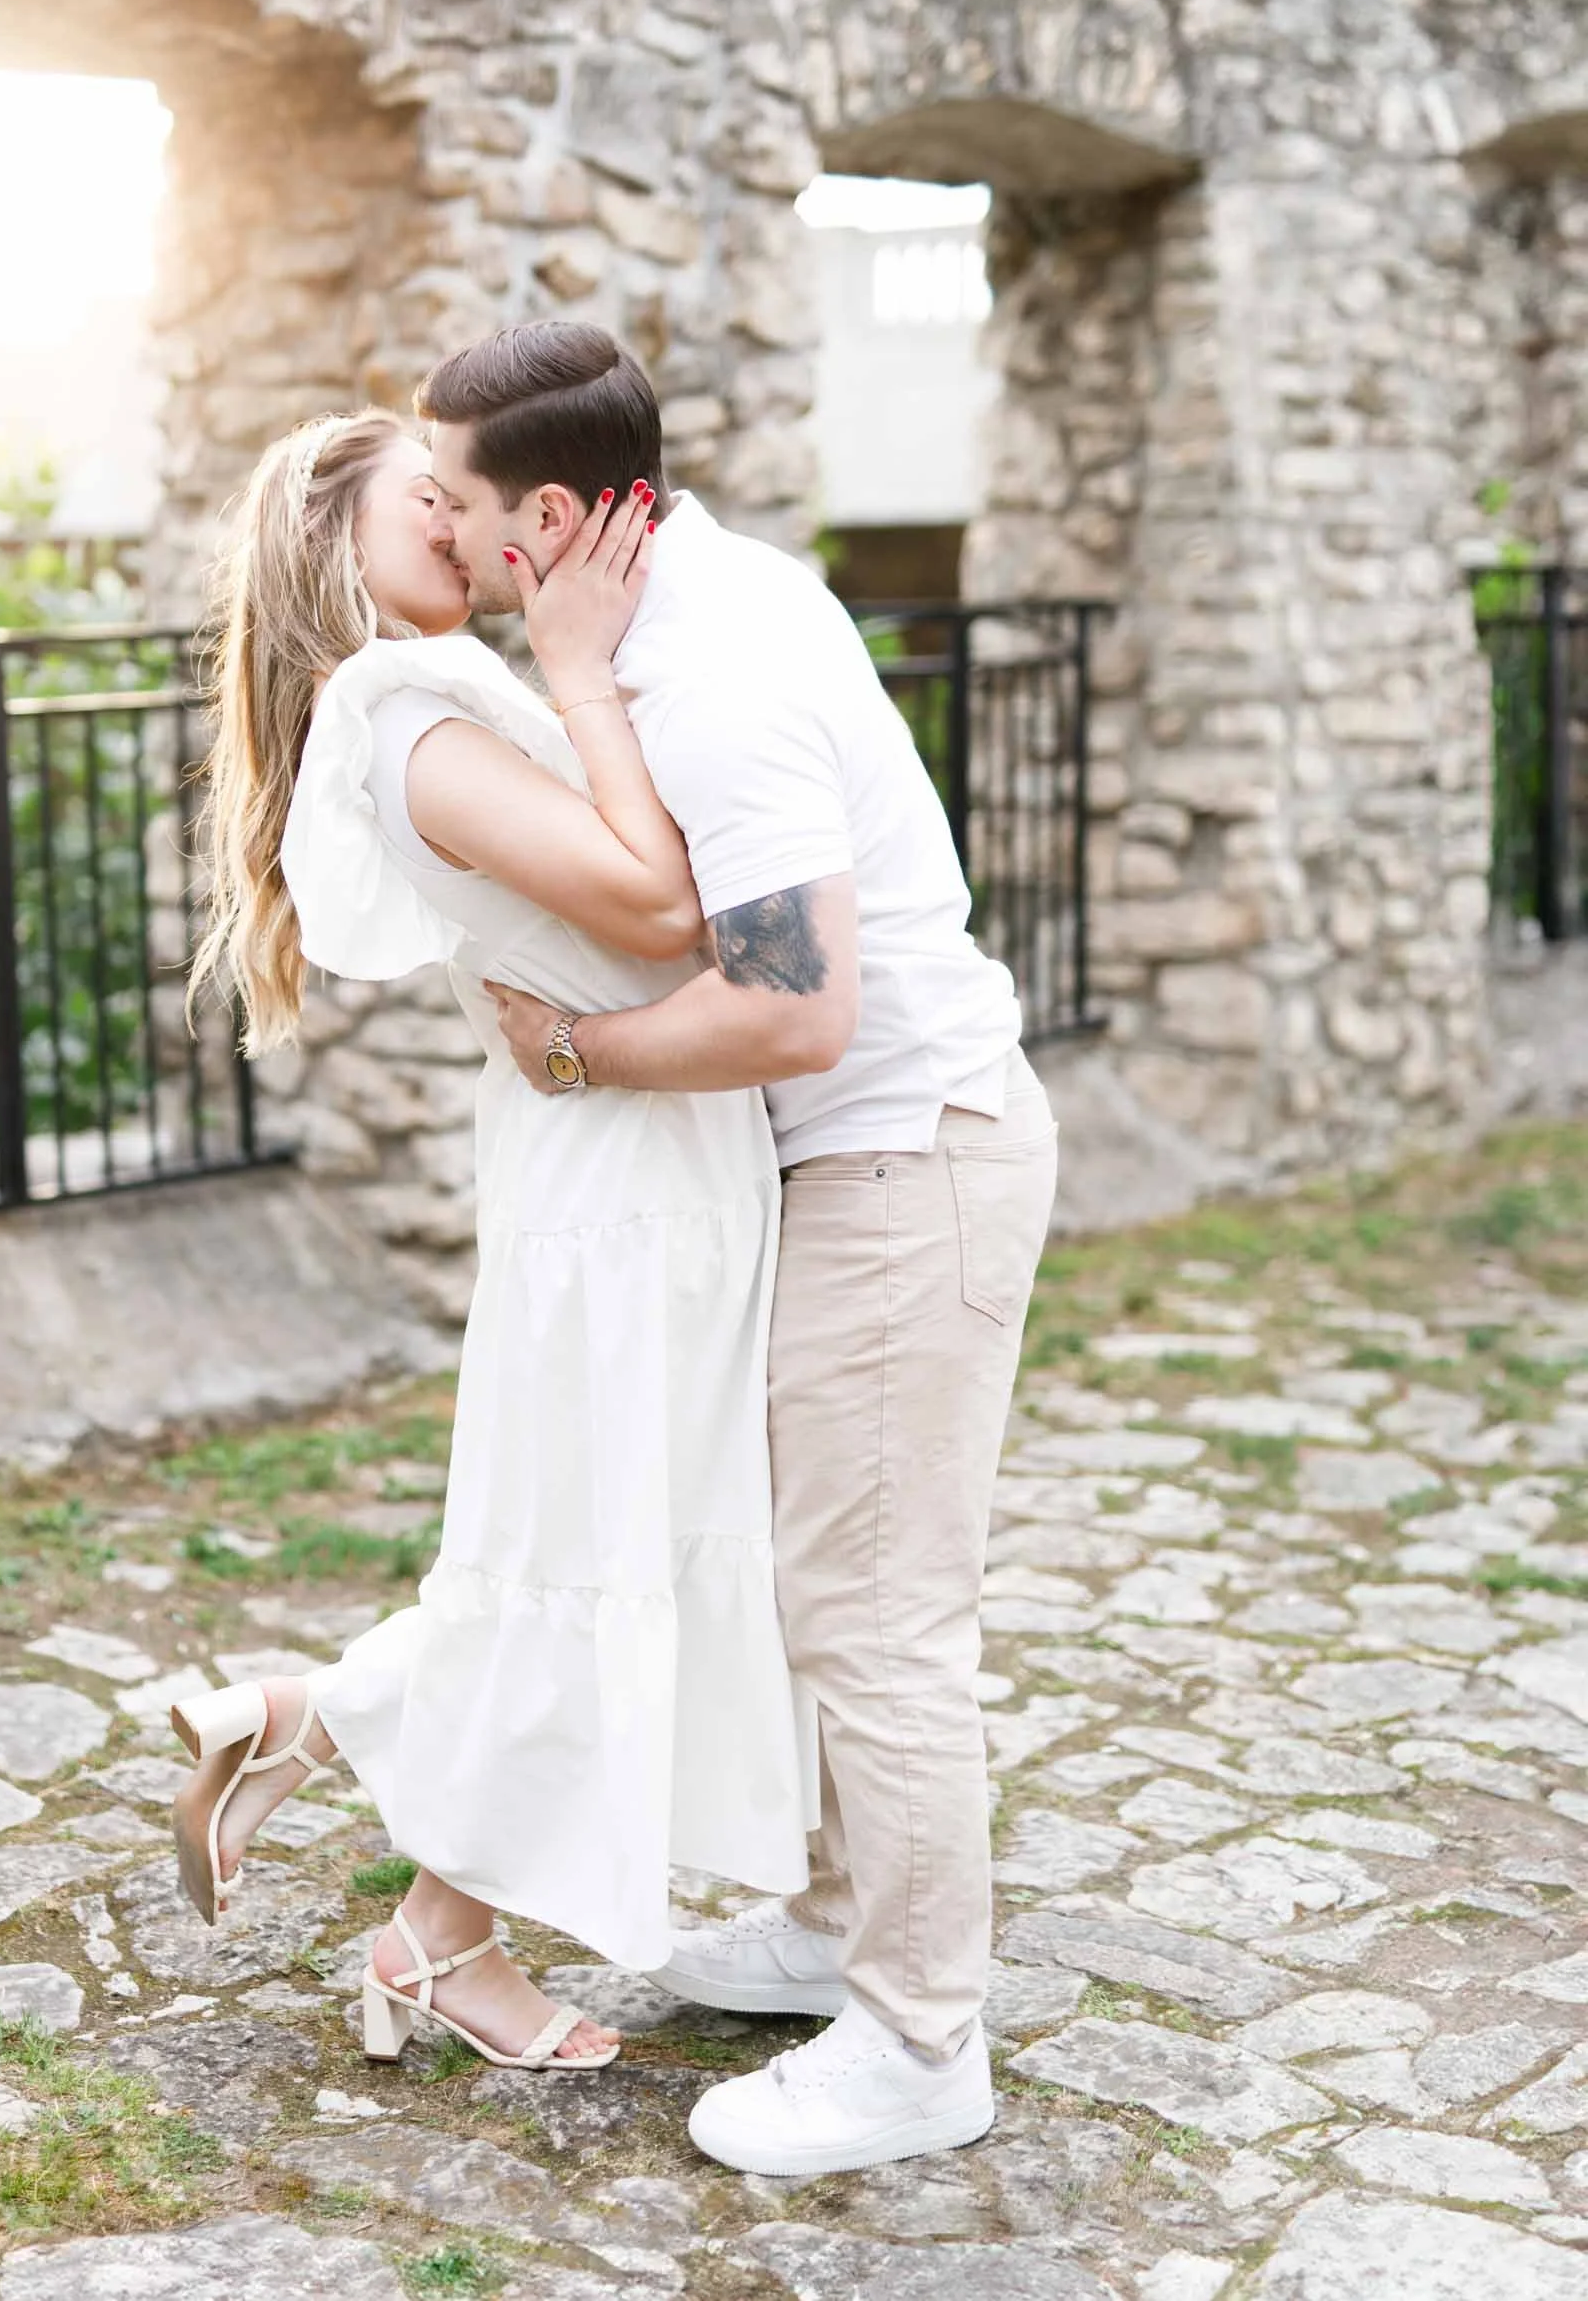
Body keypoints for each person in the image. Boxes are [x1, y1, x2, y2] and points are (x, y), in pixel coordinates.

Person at [434, 323, 1059, 2176]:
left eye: (461, 513)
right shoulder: (689, 602)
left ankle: (919, 2043)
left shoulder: (702, 668)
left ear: (548, 517)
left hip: (898, 1162)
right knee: (815, 1593)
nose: (450, 550)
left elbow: (794, 1007)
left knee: (877, 1623)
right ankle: (825, 1924)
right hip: (855, 1170)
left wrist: (579, 1056)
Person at [171, 405, 811, 2075]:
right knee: (587, 1559)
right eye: (424, 509)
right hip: (618, 1185)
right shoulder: (410, 717)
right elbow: (663, 911)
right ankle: (419, 1907)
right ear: (338, 545)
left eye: (465, 504)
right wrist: (586, 669)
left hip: (641, 1157)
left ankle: (355, 1801)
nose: (462, 532)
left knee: (594, 1551)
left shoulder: (438, 704)